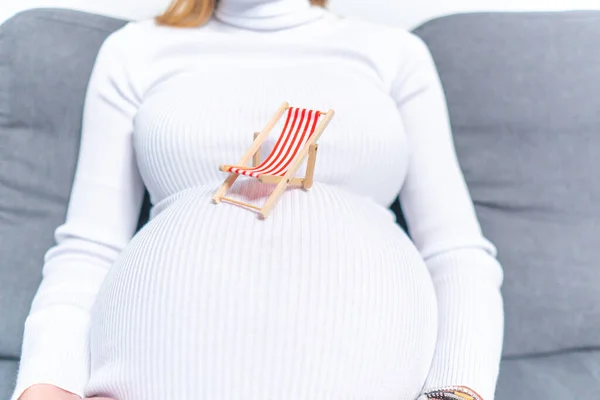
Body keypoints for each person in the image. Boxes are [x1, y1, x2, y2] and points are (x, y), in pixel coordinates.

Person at [12, 0, 505, 399]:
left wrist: (458, 388)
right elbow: (89, 248)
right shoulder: (135, 51)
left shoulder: (395, 54)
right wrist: (47, 382)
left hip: (366, 369)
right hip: (160, 371)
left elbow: (455, 251)